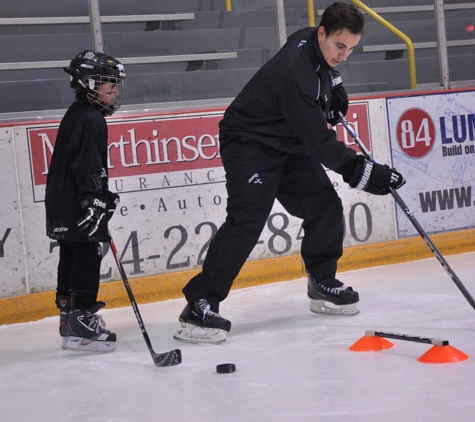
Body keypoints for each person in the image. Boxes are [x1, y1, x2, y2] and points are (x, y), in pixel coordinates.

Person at [173, 2, 405, 344]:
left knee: (324, 205)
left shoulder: (310, 39)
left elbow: (324, 76)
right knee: (247, 219)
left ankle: (322, 281)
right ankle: (200, 303)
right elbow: (322, 144)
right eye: (339, 46)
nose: (343, 55)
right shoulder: (296, 72)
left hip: (287, 142)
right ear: (322, 33)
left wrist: (332, 88)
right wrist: (367, 173)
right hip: (250, 143)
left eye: (351, 50)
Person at [45, 50, 127, 352]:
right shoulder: (92, 119)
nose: (115, 91)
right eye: (109, 84)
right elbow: (89, 164)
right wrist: (95, 199)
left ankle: (68, 318)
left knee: (71, 251)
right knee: (88, 250)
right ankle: (82, 316)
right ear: (90, 83)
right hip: (77, 199)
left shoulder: (77, 112)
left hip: (62, 199)